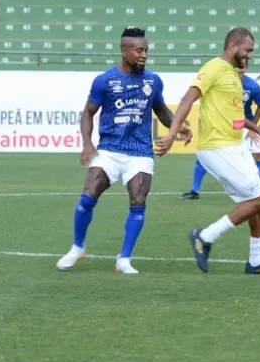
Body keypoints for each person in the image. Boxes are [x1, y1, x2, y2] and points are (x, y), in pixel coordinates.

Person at [56, 27, 191, 275]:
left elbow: (161, 110)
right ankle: (77, 247)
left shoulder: (153, 81)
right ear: (124, 50)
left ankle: (124, 259)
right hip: (109, 149)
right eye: (139, 50)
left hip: (140, 152)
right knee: (88, 196)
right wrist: (87, 143)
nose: (144, 55)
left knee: (138, 201)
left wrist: (177, 127)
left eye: (146, 50)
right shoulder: (105, 81)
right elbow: (88, 112)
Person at [155, 28, 260, 275]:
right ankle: (204, 237)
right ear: (233, 46)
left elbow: (235, 116)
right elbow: (186, 99)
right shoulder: (214, 67)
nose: (250, 56)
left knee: (258, 202)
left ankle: (256, 261)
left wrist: (257, 129)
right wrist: (172, 133)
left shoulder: (234, 75)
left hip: (236, 145)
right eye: (248, 50)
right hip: (216, 147)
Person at [183, 62, 260, 201]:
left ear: (246, 68)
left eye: (243, 67)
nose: (240, 69)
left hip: (247, 125)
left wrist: (254, 128)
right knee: (206, 156)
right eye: (238, 67)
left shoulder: (252, 86)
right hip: (225, 124)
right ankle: (194, 190)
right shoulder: (223, 82)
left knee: (258, 155)